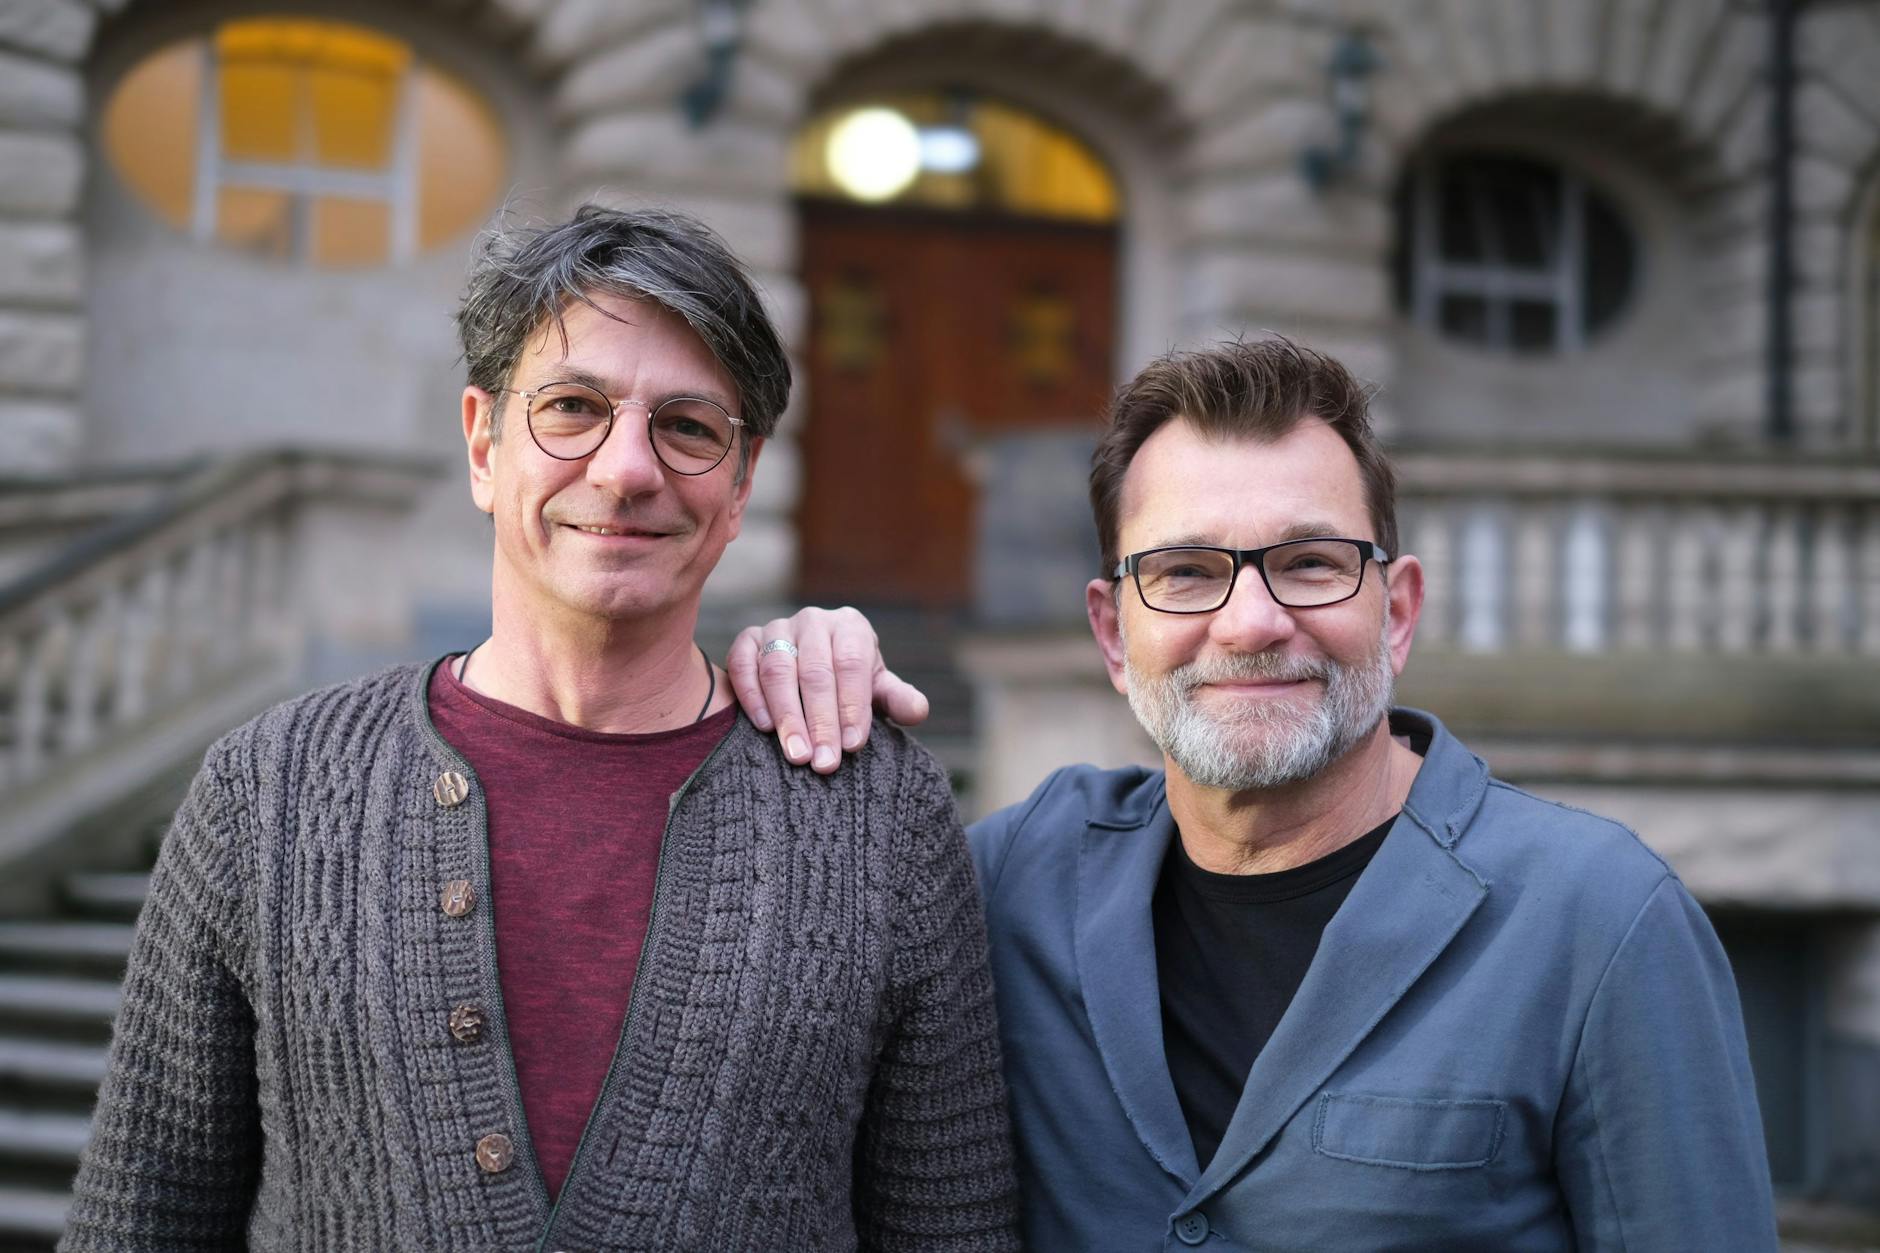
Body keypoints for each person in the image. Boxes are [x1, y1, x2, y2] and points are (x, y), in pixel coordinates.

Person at [62, 207, 1018, 1252]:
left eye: (688, 426)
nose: (625, 469)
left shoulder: (875, 809)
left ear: (740, 486)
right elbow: (139, 1218)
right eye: (572, 408)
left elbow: (950, 1227)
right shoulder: (270, 789)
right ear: (483, 440)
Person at [730, 338, 1779, 1251]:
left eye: (1309, 563)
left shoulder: (1595, 920)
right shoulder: (1011, 880)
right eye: (1185, 571)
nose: (1248, 621)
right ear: (1110, 630)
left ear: (1397, 609)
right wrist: (786, 658)